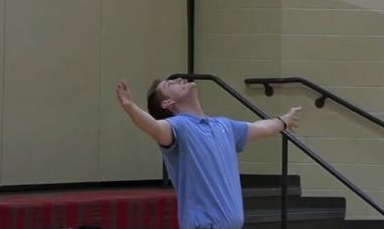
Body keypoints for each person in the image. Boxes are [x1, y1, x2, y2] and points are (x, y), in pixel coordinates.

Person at [115, 77, 301, 229]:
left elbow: (257, 127)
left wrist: (283, 121)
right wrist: (131, 107)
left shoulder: (224, 125)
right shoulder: (178, 127)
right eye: (169, 84)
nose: (180, 79)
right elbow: (153, 127)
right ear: (168, 103)